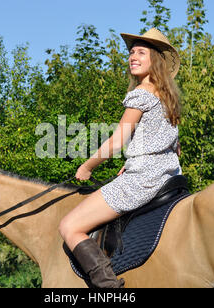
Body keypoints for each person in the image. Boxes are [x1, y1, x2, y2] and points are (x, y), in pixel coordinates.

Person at [59, 28, 182, 288]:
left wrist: (87, 166)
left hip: (144, 180)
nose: (133, 57)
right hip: (168, 176)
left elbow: (116, 142)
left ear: (155, 60)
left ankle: (107, 286)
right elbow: (171, 147)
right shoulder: (168, 98)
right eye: (131, 52)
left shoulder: (141, 94)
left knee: (69, 226)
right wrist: (130, 163)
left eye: (141, 52)